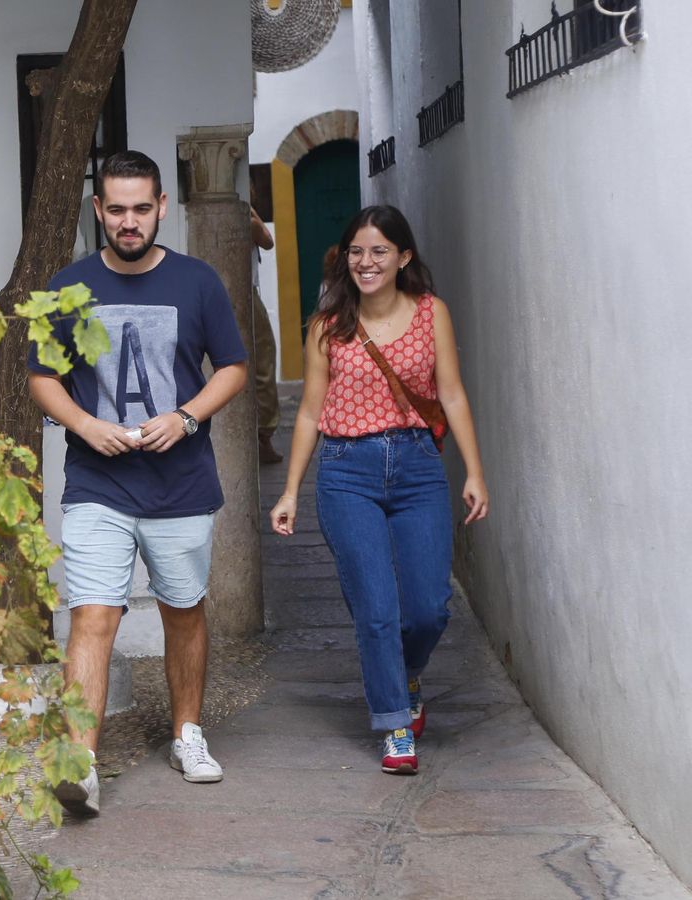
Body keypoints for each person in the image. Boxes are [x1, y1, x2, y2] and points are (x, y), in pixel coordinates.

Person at [28, 150, 249, 816]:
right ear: (99, 210)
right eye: (116, 210)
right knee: (93, 616)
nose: (129, 222)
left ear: (160, 208)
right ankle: (80, 764)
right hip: (98, 482)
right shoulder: (66, 286)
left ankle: (188, 734)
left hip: (180, 484)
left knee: (184, 610)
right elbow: (42, 377)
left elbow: (233, 368)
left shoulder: (198, 282)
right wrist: (85, 425)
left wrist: (185, 418)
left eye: (141, 208)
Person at [268, 205, 489, 776]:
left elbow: (454, 394)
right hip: (347, 473)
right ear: (345, 259)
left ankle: (406, 672)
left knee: (428, 609)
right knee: (376, 611)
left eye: (380, 251)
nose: (367, 262)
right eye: (357, 252)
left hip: (417, 467)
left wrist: (474, 471)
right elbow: (310, 414)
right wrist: (290, 489)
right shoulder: (327, 326)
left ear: (403, 257)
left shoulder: (431, 313)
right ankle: (395, 722)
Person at [249, 204, 283, 465]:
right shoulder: (245, 216)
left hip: (247, 291)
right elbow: (267, 240)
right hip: (245, 293)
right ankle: (263, 435)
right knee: (263, 360)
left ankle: (261, 436)